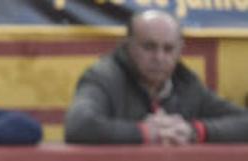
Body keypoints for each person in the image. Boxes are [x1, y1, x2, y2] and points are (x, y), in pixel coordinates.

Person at [65, 10, 248, 144]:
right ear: (127, 46)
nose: (159, 58)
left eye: (168, 49)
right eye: (149, 47)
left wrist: (193, 131)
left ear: (179, 51)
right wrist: (146, 132)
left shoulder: (186, 82)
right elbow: (79, 126)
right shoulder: (104, 76)